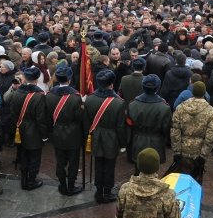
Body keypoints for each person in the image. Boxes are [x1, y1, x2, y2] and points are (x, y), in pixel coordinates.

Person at [86, 69, 128, 203]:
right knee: (109, 166)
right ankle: (107, 192)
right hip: (112, 137)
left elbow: (86, 121)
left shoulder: (90, 99)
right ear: (111, 84)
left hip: (96, 135)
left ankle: (99, 191)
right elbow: (121, 126)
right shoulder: (119, 102)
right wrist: (122, 144)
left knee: (98, 164)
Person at [44, 65, 84, 195]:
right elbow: (79, 118)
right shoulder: (76, 97)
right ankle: (71, 187)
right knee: (73, 163)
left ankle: (62, 185)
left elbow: (48, 116)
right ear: (70, 79)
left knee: (60, 161)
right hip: (74, 134)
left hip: (57, 132)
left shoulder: (49, 95)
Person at [170, 80, 213, 182]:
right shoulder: (211, 111)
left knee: (179, 180)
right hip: (199, 151)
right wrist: (203, 156)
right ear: (204, 93)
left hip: (182, 149)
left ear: (192, 92)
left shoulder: (180, 108)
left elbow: (175, 131)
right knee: (196, 180)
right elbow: (211, 136)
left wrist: (176, 151)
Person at [10, 66, 48, 190]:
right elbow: (41, 118)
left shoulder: (16, 92)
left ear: (25, 78)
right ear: (37, 79)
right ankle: (31, 181)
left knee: (24, 155)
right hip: (34, 130)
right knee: (34, 157)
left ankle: (24, 180)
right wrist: (44, 135)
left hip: (19, 128)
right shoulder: (39, 95)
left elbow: (13, 113)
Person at [127, 74, 172, 168]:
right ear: (157, 88)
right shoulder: (164, 107)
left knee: (138, 170)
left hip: (138, 141)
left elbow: (129, 126)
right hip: (156, 143)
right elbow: (166, 129)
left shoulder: (132, 104)